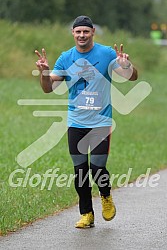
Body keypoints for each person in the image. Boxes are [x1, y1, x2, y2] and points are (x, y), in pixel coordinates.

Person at [35, 15, 138, 229]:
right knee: (80, 171)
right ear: (73, 33)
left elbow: (132, 77)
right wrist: (44, 72)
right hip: (76, 122)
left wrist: (126, 65)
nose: (82, 35)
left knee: (97, 167)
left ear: (92, 33)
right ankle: (87, 214)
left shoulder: (107, 53)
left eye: (86, 31)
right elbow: (48, 88)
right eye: (78, 31)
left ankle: (106, 195)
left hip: (100, 121)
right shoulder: (66, 58)